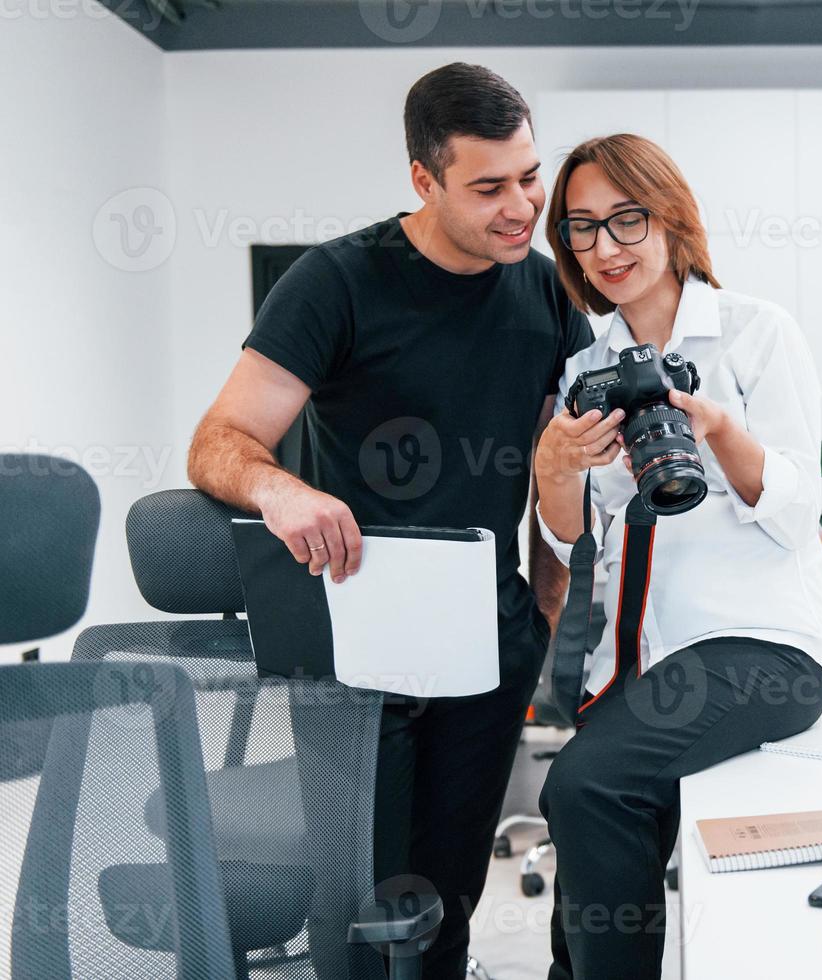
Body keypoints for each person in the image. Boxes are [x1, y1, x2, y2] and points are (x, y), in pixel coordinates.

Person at [186, 63, 593, 979]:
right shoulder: (335, 280)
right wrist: (281, 490)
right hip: (358, 651)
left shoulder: (548, 295)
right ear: (423, 180)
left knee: (446, 907)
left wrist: (545, 609)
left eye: (529, 175)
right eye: (488, 187)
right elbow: (219, 441)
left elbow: (557, 464)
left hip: (485, 645)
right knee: (361, 913)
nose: (521, 206)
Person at [533, 133, 822, 979]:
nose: (606, 248)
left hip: (760, 649)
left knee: (586, 788)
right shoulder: (585, 369)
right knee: (578, 888)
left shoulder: (754, 335)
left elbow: (800, 507)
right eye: (582, 229)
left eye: (625, 220)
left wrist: (720, 432)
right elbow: (569, 536)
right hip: (635, 664)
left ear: (671, 219)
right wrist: (554, 466)